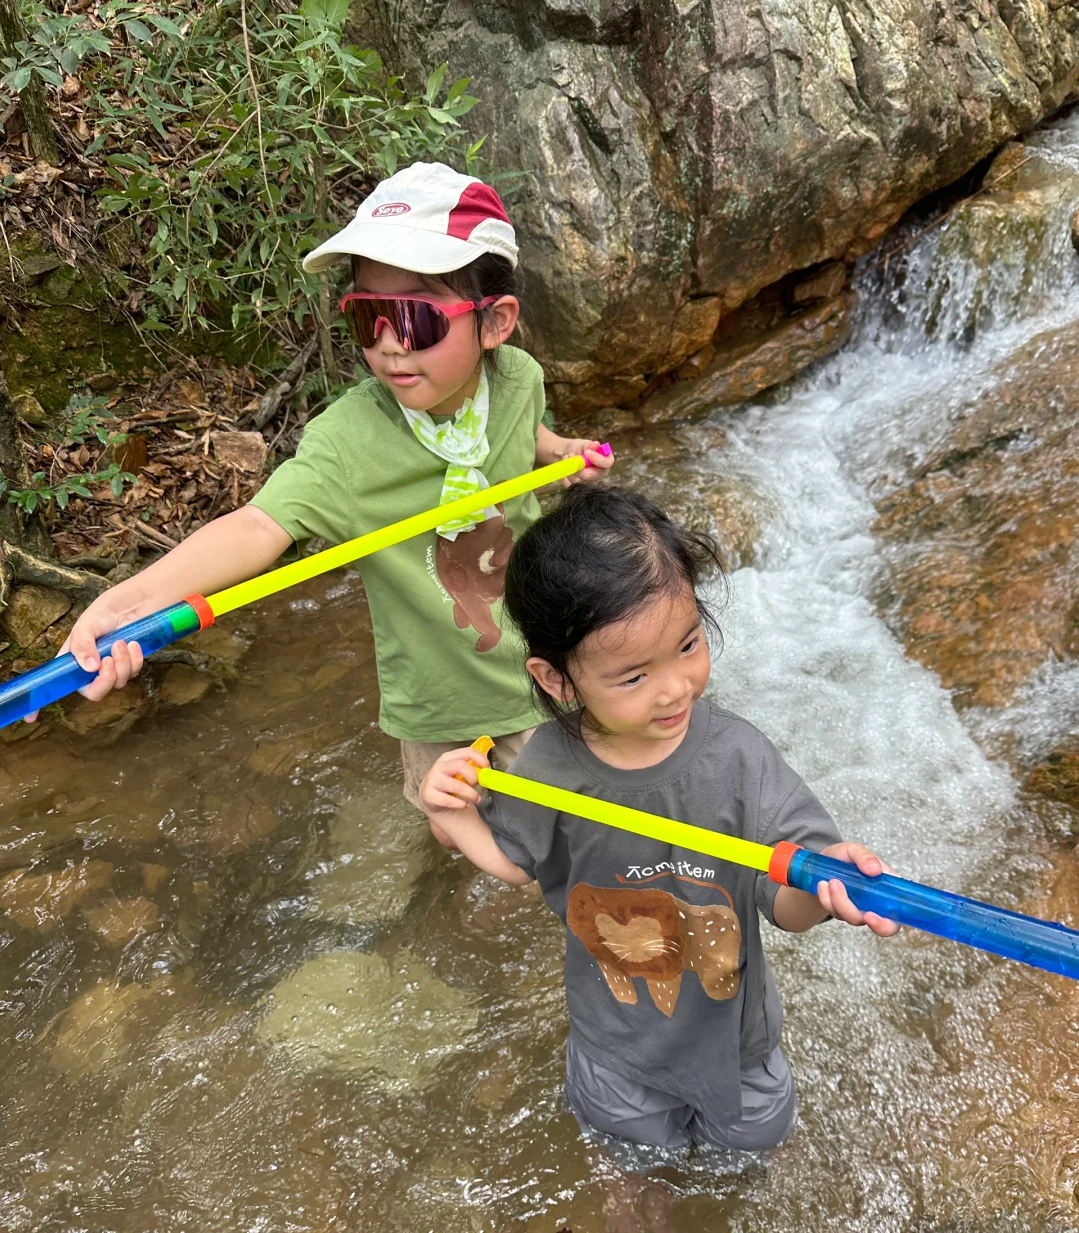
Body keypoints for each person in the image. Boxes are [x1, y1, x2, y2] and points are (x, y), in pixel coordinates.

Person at [51, 162, 614, 835]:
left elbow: (527, 430)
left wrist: (559, 451)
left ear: (495, 323)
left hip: (542, 665)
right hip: (440, 706)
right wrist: (129, 601)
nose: (387, 345)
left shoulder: (520, 378)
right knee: (460, 830)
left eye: (414, 318)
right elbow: (258, 526)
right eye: (367, 316)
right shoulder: (347, 443)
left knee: (575, 835)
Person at [419, 485, 898, 1155]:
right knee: (631, 1178)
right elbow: (514, 864)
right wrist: (455, 813)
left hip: (738, 1039)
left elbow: (784, 909)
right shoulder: (551, 765)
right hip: (616, 1047)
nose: (674, 686)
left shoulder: (738, 757)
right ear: (558, 681)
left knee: (756, 1157)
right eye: (633, 675)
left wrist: (824, 887)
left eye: (687, 645)